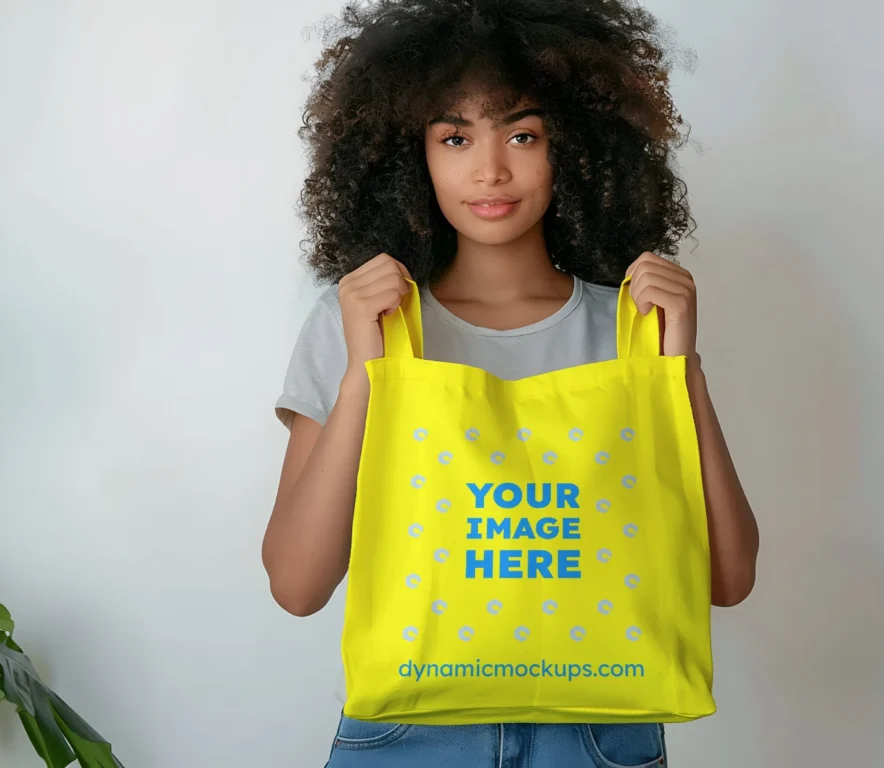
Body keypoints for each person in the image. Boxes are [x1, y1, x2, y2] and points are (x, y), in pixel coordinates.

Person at [263, 1, 759, 765]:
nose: (490, 169)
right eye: (455, 136)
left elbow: (727, 580)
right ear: (409, 154)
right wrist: (370, 374)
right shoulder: (362, 322)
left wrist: (677, 370)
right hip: (409, 737)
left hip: (601, 735)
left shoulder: (629, 328)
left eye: (523, 134)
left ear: (579, 147)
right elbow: (297, 587)